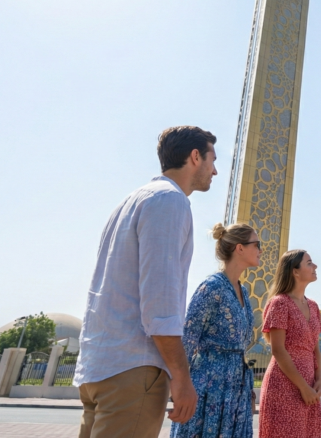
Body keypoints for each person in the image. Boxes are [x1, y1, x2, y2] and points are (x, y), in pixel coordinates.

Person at [74, 126, 218, 438]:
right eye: (212, 160)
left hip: (100, 368)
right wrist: (181, 377)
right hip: (134, 371)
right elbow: (160, 302)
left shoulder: (129, 202)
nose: (215, 170)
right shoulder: (170, 201)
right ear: (195, 157)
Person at [171, 222, 261, 438]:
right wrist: (180, 387)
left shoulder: (244, 291)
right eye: (257, 244)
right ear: (239, 248)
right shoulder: (211, 287)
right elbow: (187, 341)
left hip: (236, 392)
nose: (260, 250)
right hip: (208, 389)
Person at [258, 250, 321, 438]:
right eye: (309, 263)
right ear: (295, 271)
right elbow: (278, 350)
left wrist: (319, 379)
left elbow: (315, 348)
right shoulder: (279, 303)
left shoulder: (313, 306)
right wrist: (303, 387)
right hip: (284, 386)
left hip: (310, 388)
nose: (315, 266)